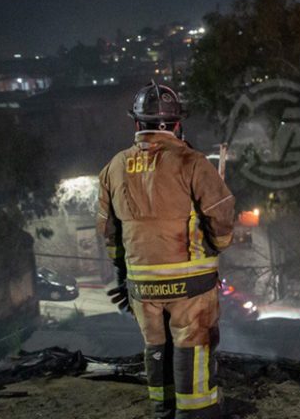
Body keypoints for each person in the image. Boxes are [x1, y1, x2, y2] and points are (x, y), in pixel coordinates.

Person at [98, 81, 235, 419]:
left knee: (156, 348)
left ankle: (163, 409)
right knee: (193, 347)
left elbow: (108, 229)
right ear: (176, 125)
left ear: (136, 124)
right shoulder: (192, 162)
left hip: (142, 286)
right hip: (192, 284)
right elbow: (221, 215)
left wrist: (122, 276)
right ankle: (196, 412)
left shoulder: (114, 167)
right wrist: (217, 246)